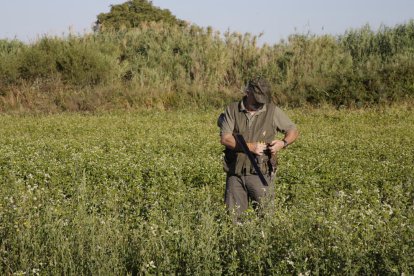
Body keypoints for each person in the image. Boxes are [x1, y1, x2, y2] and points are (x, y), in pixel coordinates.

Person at [218, 78, 298, 220]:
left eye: (263, 99)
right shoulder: (232, 110)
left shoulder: (272, 111)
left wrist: (282, 143)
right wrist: (250, 147)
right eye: (257, 99)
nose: (260, 103)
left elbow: (292, 130)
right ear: (247, 93)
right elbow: (226, 138)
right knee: (233, 220)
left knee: (266, 218)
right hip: (235, 173)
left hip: (260, 174)